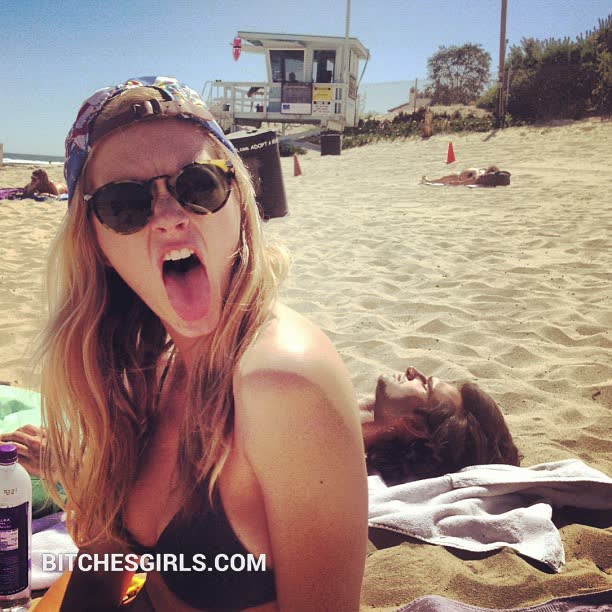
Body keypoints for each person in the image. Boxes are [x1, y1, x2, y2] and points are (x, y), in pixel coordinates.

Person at [33, 76, 367, 611]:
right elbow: (101, 574)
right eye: (124, 205)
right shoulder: (146, 371)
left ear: (240, 202)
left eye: (199, 185)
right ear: (94, 241)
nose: (170, 217)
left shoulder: (282, 382)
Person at [360, 366, 521, 485]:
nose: (412, 371)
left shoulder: (355, 472)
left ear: (416, 426)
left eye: (426, 385)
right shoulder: (356, 448)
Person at [422, 166, 502, 186]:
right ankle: (428, 181)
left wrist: (459, 183)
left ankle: (428, 181)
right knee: (442, 179)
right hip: (460, 177)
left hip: (459, 178)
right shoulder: (481, 172)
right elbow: (474, 179)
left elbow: (474, 179)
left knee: (442, 179)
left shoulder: (479, 173)